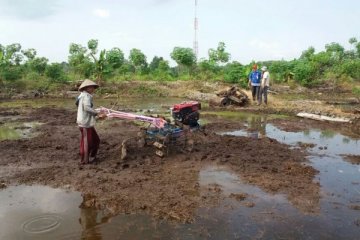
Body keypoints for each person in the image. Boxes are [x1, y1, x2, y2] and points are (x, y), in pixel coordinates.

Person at [76, 79, 105, 164]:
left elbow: (86, 109)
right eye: (91, 87)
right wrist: (97, 113)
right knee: (87, 143)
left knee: (96, 140)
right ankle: (84, 160)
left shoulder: (84, 96)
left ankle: (92, 156)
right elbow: (87, 108)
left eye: (93, 87)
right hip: (85, 124)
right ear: (86, 88)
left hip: (88, 123)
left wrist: (97, 114)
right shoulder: (85, 96)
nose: (93, 89)